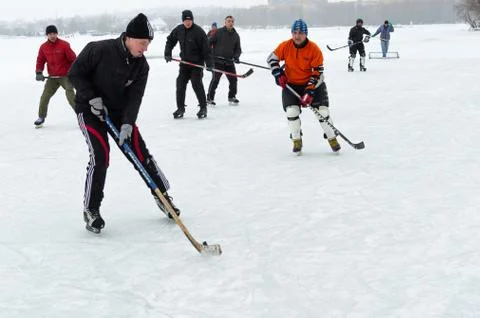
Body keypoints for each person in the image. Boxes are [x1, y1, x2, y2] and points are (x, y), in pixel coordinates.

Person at [68, 13, 180, 234]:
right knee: (100, 156)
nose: (145, 48)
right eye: (142, 43)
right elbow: (75, 74)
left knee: (140, 153)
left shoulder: (141, 66)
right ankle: (91, 209)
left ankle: (162, 197)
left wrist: (128, 123)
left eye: (148, 44)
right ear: (129, 37)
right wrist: (91, 97)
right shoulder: (98, 49)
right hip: (89, 110)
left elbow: (134, 98)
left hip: (119, 113)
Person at [267, 19, 340, 154]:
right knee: (291, 112)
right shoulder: (285, 46)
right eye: (294, 32)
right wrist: (278, 73)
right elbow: (271, 59)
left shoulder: (314, 49)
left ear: (306, 34)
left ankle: (332, 137)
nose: (297, 35)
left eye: (300, 32)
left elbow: (317, 72)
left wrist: (309, 91)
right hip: (291, 86)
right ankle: (296, 139)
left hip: (314, 85)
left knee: (322, 113)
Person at [164, 10, 211, 119]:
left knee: (196, 84)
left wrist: (209, 63)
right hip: (184, 63)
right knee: (180, 84)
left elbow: (206, 49)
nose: (188, 22)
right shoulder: (179, 30)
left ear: (192, 20)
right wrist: (167, 53)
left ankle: (203, 107)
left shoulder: (199, 31)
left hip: (196, 64)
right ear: (183, 20)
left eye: (189, 20)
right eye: (186, 20)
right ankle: (180, 108)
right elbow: (170, 40)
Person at [34, 25, 76, 127]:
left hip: (66, 76)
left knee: (70, 95)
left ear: (57, 34)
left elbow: (74, 59)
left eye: (54, 33)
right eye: (50, 34)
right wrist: (39, 72)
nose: (52, 36)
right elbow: (40, 60)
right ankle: (41, 117)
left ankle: (83, 116)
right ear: (47, 35)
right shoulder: (43, 47)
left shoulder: (64, 45)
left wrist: (76, 72)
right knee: (45, 96)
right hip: (52, 77)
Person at [206, 15, 242, 106]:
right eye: (228, 21)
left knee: (233, 80)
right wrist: (209, 53)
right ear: (225, 22)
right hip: (218, 61)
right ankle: (210, 98)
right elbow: (209, 42)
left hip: (229, 62)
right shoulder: (218, 32)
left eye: (232, 21)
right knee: (215, 80)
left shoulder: (236, 35)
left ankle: (232, 96)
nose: (230, 23)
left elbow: (238, 49)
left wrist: (236, 57)